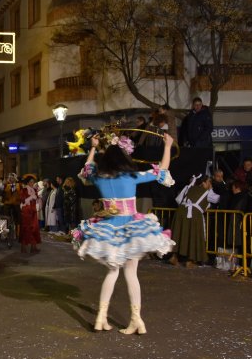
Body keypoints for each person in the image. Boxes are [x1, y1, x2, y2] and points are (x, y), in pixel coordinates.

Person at [74, 132, 175, 334]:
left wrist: (93, 148)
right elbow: (162, 171)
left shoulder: (99, 178)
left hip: (109, 229)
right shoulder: (131, 176)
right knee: (131, 274)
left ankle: (101, 318)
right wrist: (167, 147)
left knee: (112, 273)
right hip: (131, 229)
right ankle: (137, 320)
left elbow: (86, 170)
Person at [169, 174, 220, 268]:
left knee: (179, 234)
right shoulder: (207, 192)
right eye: (209, 182)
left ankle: (174, 256)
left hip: (180, 211)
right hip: (193, 213)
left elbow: (179, 199)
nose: (210, 184)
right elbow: (216, 199)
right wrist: (211, 189)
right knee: (193, 235)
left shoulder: (190, 188)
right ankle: (190, 261)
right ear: (204, 182)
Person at [19, 174, 41, 253]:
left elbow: (37, 199)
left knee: (34, 228)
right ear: (27, 182)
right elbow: (22, 200)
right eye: (31, 182)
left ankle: (33, 247)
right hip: (26, 212)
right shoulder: (24, 190)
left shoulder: (34, 190)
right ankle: (23, 247)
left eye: (33, 182)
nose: (32, 183)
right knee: (26, 228)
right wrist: (31, 197)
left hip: (33, 211)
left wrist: (37, 200)